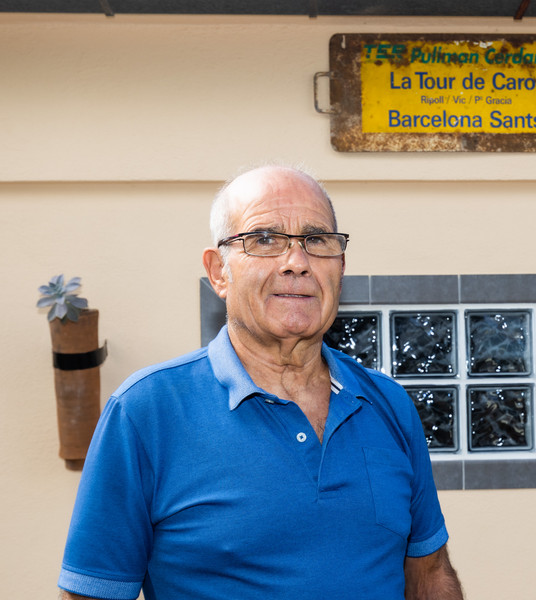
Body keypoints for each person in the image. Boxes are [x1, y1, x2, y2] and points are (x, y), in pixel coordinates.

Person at [58, 165, 464, 600]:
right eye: (265, 240)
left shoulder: (388, 403)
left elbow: (429, 573)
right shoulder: (145, 413)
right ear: (218, 272)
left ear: (340, 266)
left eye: (317, 240)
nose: (297, 263)